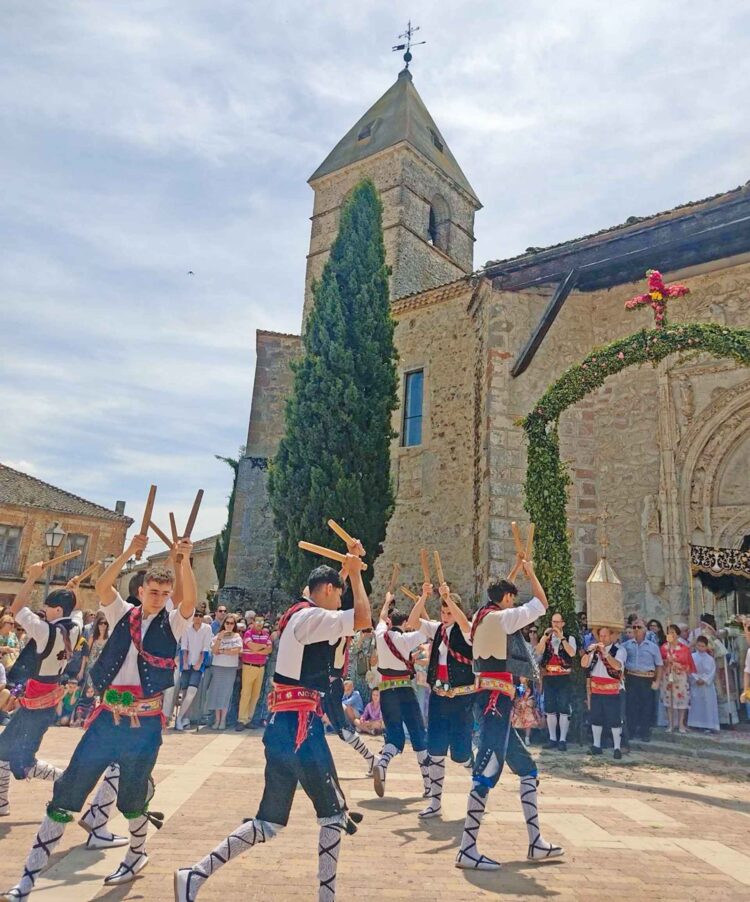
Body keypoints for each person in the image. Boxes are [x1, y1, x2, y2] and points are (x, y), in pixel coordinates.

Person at [2, 533, 196, 899]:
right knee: (67, 791)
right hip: (107, 718)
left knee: (133, 799)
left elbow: (191, 600)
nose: (159, 598)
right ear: (141, 590)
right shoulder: (123, 612)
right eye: (153, 591)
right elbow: (104, 583)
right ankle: (27, 880)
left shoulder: (174, 622)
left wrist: (182, 561)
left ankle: (137, 854)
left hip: (145, 724)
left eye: (164, 593)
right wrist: (129, 551)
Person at [174, 554, 371, 902]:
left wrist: (344, 568)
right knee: (332, 816)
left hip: (285, 727)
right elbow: (362, 617)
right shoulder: (310, 617)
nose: (339, 602)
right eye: (337, 594)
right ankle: (327, 898)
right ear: (326, 591)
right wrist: (355, 574)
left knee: (271, 821)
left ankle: (194, 874)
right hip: (299, 728)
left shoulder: (300, 612)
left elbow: (324, 594)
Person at [456, 557, 562, 870]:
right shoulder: (499, 619)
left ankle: (535, 842)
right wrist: (530, 571)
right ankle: (466, 848)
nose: (513, 604)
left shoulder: (481, 615)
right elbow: (541, 603)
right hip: (494, 702)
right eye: (511, 599)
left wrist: (513, 575)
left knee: (527, 769)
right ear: (505, 599)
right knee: (486, 771)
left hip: (490, 699)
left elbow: (500, 596)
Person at [0, 561, 83, 820]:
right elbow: (77, 609)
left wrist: (32, 577)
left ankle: (69, 780)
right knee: (3, 752)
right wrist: (74, 591)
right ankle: (1, 802)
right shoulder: (76, 626)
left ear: (57, 609)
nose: (43, 611)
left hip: (36, 702)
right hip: (43, 701)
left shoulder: (45, 631)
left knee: (23, 761)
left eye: (47, 607)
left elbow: (16, 608)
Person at [405, 580, 476, 820]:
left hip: (461, 699)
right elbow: (412, 622)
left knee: (461, 754)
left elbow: (465, 623)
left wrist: (448, 598)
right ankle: (435, 802)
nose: (445, 616)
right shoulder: (437, 629)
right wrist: (424, 597)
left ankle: (479, 784)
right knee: (435, 749)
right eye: (443, 612)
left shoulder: (467, 632)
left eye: (449, 612)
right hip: (438, 697)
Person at [372, 591, 431, 800]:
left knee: (394, 734)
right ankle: (428, 784)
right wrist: (421, 601)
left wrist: (387, 601)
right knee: (417, 732)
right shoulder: (407, 638)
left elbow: (380, 618)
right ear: (405, 622)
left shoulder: (380, 634)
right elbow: (429, 627)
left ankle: (382, 763)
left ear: (390, 622)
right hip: (405, 690)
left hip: (386, 690)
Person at [581, 626, 627, 759]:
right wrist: (589, 652)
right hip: (596, 689)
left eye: (605, 636)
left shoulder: (619, 650)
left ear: (611, 636)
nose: (603, 639)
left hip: (612, 690)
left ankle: (617, 747)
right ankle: (596, 745)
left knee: (614, 719)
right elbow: (584, 664)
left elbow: (617, 666)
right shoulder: (594, 651)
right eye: (601, 636)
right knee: (596, 717)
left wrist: (605, 654)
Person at [535, 612, 577, 751]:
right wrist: (543, 638)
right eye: (554, 622)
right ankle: (552, 738)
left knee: (564, 708)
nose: (556, 625)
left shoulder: (569, 638)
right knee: (550, 708)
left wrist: (562, 639)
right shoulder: (547, 638)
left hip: (564, 677)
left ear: (563, 624)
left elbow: (572, 653)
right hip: (549, 677)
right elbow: (538, 652)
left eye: (558, 622)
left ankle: (563, 740)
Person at [622, 619, 663, 742]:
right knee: (631, 705)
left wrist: (657, 681)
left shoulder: (653, 647)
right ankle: (632, 730)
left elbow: (659, 665)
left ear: (645, 629)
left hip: (647, 678)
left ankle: (645, 732)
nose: (636, 629)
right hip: (631, 677)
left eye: (639, 627)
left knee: (646, 706)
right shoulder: (626, 645)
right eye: (634, 627)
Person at [175, 607, 213, 731]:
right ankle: (184, 718)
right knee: (184, 691)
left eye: (200, 615)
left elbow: (206, 648)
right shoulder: (187, 627)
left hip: (198, 664)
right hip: (187, 663)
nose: (197, 617)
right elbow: (184, 646)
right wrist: (185, 662)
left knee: (191, 692)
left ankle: (179, 718)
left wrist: (199, 663)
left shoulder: (207, 629)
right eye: (195, 615)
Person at [205, 613, 242, 730]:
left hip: (230, 668)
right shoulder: (217, 636)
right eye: (227, 623)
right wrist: (221, 637)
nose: (229, 625)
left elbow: (236, 651)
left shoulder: (237, 636)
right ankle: (217, 719)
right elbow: (214, 650)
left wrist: (223, 650)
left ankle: (223, 720)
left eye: (232, 623)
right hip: (218, 667)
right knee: (216, 692)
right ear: (224, 623)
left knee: (226, 694)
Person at [237, 613, 273, 730]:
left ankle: (248, 719)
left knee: (255, 695)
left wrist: (259, 649)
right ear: (252, 622)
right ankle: (241, 720)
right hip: (249, 666)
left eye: (261, 621)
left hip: (261, 667)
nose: (259, 624)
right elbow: (252, 647)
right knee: (246, 693)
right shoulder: (248, 633)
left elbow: (269, 650)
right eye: (257, 621)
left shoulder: (266, 634)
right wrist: (261, 648)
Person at [660, 623, 695, 733]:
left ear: (677, 635)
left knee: (681, 700)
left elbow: (689, 664)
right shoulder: (664, 647)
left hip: (680, 677)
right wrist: (666, 661)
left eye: (673, 632)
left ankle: (681, 724)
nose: (670, 635)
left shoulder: (684, 648)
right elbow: (659, 662)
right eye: (669, 632)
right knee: (668, 700)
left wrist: (678, 665)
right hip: (667, 676)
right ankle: (670, 724)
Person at [687, 636, 720, 733]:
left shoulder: (710, 659)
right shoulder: (692, 657)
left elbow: (712, 672)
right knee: (696, 703)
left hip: (706, 685)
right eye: (699, 645)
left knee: (707, 704)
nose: (701, 648)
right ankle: (695, 723)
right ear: (696, 645)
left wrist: (704, 680)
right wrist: (696, 679)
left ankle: (708, 725)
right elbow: (690, 669)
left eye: (703, 646)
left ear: (706, 647)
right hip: (696, 683)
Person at [77, 613, 109, 691]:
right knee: (86, 689)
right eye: (101, 623)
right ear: (97, 625)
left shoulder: (109, 639)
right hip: (90, 668)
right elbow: (85, 654)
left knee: (97, 691)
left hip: (101, 669)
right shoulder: (93, 637)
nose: (103, 625)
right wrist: (81, 671)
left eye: (105, 623)